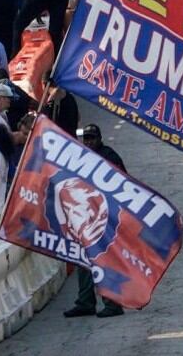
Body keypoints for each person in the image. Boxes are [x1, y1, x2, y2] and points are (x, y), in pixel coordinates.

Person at [63, 124, 126, 318]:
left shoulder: (109, 156)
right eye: (86, 139)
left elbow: (123, 185)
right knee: (84, 260)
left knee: (104, 260)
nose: (88, 142)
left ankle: (113, 303)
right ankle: (85, 301)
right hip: (85, 217)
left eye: (92, 138)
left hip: (105, 217)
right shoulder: (82, 157)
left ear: (100, 138)